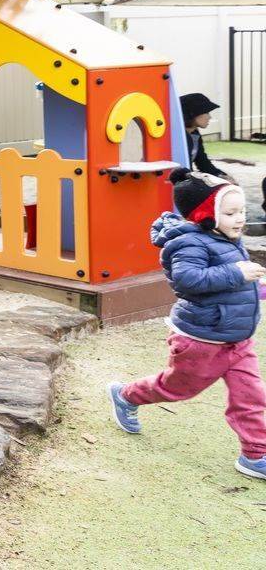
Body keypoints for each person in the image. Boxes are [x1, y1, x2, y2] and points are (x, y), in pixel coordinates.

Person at [109, 169, 266, 481]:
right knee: (175, 388)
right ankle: (126, 395)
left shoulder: (228, 239)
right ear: (206, 213)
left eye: (242, 212)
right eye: (230, 212)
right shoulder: (188, 243)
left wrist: (258, 285)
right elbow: (187, 280)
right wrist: (237, 274)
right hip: (200, 341)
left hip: (236, 340)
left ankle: (255, 454)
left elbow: (235, 283)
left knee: (251, 396)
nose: (239, 219)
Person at [180, 93, 229, 179]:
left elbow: (202, 162)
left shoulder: (194, 133)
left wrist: (221, 176)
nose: (209, 117)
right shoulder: (179, 136)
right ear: (193, 113)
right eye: (206, 112)